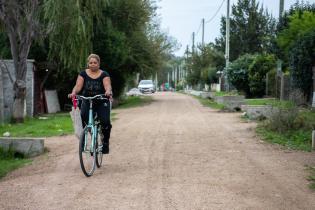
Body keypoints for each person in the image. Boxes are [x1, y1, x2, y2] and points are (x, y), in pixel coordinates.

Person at [68, 54, 112, 154]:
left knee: (105, 122)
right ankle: (83, 140)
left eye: (95, 62)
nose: (92, 64)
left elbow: (107, 86)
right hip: (87, 100)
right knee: (83, 117)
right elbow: (78, 86)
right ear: (88, 63)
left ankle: (105, 143)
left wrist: (108, 91)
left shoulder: (104, 74)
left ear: (98, 64)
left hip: (101, 101)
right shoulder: (83, 74)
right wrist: (74, 92)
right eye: (90, 62)